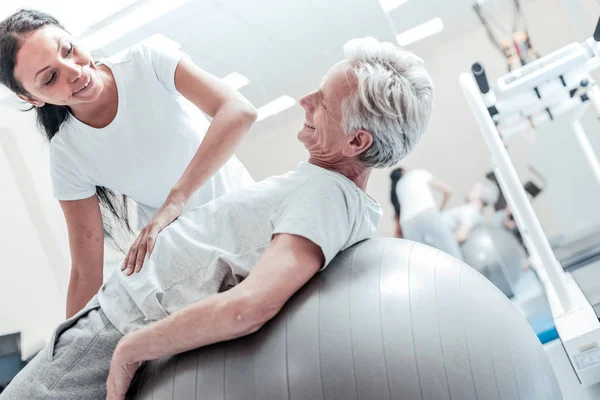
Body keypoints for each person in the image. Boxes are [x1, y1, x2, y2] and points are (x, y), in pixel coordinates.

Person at [0, 37, 434, 400]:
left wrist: (131, 349)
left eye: (320, 102)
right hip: (111, 316)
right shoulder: (323, 188)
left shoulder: (327, 198)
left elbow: (250, 307)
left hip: (120, 325)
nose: (304, 99)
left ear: (357, 140)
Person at [0, 9, 258, 318]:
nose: (74, 71)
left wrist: (175, 200)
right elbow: (85, 271)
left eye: (68, 50)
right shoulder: (68, 154)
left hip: (246, 220)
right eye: (50, 77)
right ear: (33, 99)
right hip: (182, 258)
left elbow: (238, 111)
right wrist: (65, 347)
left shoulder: (147, 60)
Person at [391, 167, 464, 260]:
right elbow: (448, 191)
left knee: (419, 262)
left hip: (407, 223)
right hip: (426, 213)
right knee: (453, 256)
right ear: (403, 171)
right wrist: (439, 211)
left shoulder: (398, 186)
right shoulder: (417, 173)